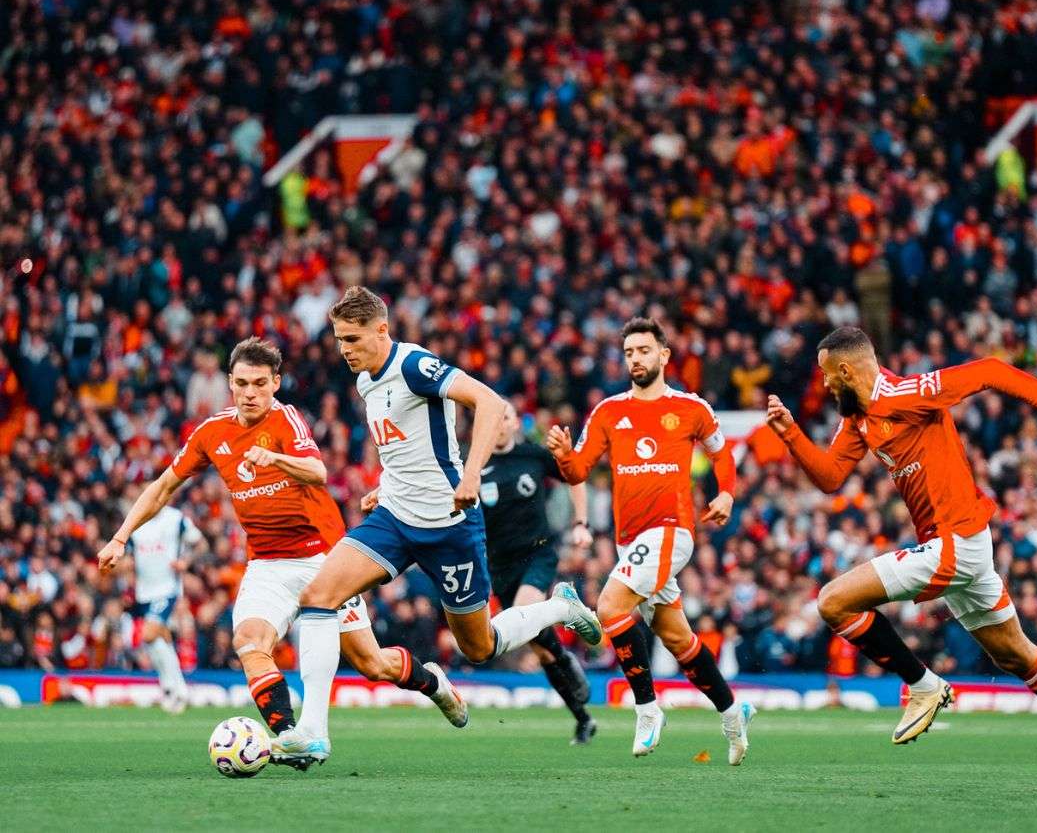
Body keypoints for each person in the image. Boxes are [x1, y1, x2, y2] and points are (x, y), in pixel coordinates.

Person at [765, 326, 1037, 797]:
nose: (823, 386)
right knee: (1014, 655)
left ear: (845, 370)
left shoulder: (908, 393)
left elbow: (990, 370)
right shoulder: (858, 419)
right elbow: (829, 476)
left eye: (826, 376)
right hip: (965, 549)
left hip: (956, 542)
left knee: (833, 602)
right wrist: (791, 433)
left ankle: (922, 684)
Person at [98, 337, 467, 768]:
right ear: (229, 384)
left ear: (276, 383)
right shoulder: (211, 432)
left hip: (324, 560)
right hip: (267, 564)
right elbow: (162, 487)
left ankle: (434, 684)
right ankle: (294, 738)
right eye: (240, 384)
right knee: (249, 640)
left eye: (258, 383)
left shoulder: (287, 420)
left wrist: (274, 458)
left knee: (372, 663)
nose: (249, 393)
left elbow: (318, 471)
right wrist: (121, 536)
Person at [275, 287, 601, 765]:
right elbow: (404, 447)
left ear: (381, 330)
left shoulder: (413, 366)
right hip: (394, 519)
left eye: (352, 338)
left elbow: (487, 403)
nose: (344, 349)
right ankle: (313, 731)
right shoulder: (366, 380)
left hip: (449, 525)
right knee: (318, 597)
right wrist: (384, 487)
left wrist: (470, 475)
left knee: (480, 646)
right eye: (339, 339)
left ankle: (557, 608)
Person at [545, 316, 755, 764]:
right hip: (630, 541)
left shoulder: (692, 408)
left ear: (664, 354)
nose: (635, 359)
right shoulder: (608, 411)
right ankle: (735, 712)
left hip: (672, 531)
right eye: (629, 353)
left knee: (609, 607)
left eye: (643, 350)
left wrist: (726, 494)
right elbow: (579, 470)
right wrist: (564, 456)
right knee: (678, 640)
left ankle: (646, 708)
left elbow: (723, 455)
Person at [481, 400, 597, 744]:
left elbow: (575, 474)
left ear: (516, 422)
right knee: (541, 648)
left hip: (538, 554)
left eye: (505, 417)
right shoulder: (474, 463)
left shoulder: (532, 456)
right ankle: (582, 717)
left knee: (523, 613)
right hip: (499, 564)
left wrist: (581, 522)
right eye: (493, 418)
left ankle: (565, 645)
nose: (499, 424)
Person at [126, 504, 202, 713]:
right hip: (143, 592)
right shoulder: (136, 519)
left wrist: (186, 562)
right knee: (160, 639)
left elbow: (199, 543)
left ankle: (170, 687)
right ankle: (177, 689)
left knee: (148, 634)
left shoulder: (175, 518)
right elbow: (129, 555)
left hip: (167, 588)